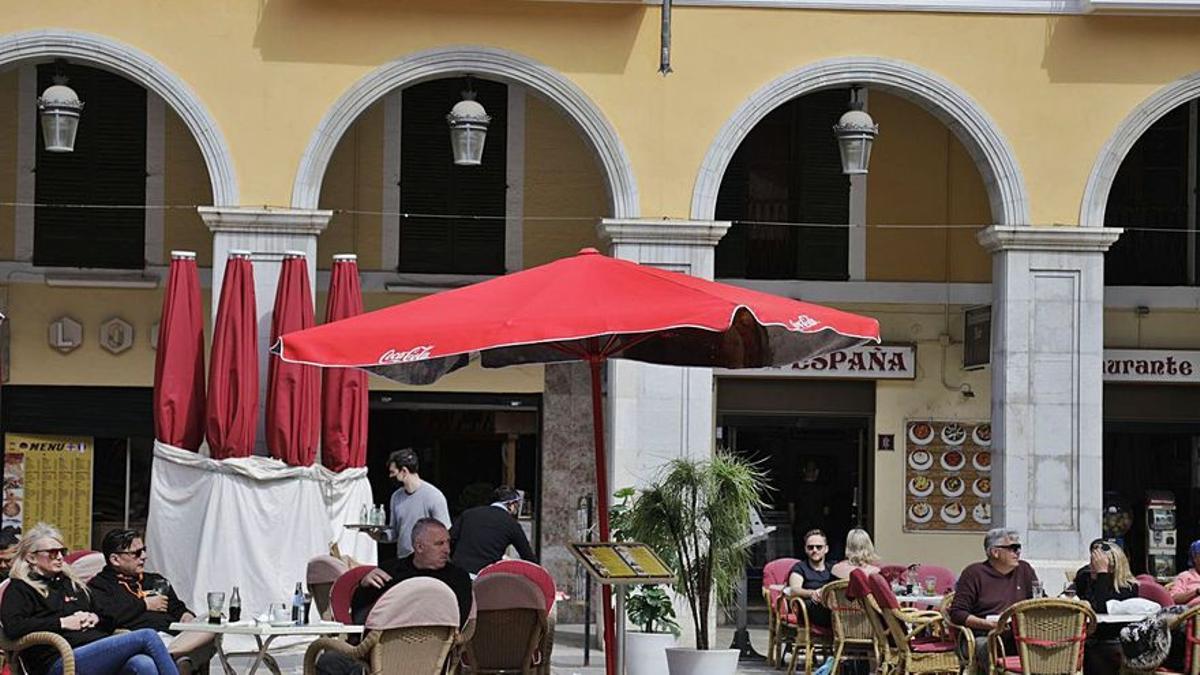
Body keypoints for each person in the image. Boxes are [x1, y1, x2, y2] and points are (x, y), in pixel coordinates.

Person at [0, 522, 179, 675]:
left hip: (95, 648)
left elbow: (105, 614)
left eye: (62, 551)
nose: (61, 557)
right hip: (60, 658)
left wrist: (95, 618)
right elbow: (13, 627)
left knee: (142, 663)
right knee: (147, 635)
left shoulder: (70, 583)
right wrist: (62, 622)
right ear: (31, 557)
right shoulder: (20, 588)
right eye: (53, 553)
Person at [317, 518, 472, 675]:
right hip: (382, 651)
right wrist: (364, 587)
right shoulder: (391, 571)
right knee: (330, 662)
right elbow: (362, 616)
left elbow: (459, 621)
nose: (447, 549)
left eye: (448, 542)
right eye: (439, 544)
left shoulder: (458, 578)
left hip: (432, 654)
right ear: (419, 547)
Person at [87, 529, 214, 672]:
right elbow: (108, 616)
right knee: (149, 655)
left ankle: (168, 655)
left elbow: (176, 607)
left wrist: (186, 615)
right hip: (141, 639)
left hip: (176, 638)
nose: (144, 557)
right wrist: (144, 604)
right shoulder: (99, 585)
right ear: (115, 559)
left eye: (144, 550)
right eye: (136, 553)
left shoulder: (155, 580)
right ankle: (171, 658)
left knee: (214, 621)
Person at [949, 528, 1039, 674]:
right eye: (1013, 548)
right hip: (983, 634)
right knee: (988, 646)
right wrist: (989, 625)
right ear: (995, 552)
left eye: (1019, 548)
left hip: (1019, 633)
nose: (1018, 552)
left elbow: (1038, 600)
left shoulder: (1024, 569)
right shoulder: (974, 573)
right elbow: (957, 613)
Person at [369, 448, 451, 559]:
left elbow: (444, 533)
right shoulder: (396, 497)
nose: (390, 476)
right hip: (404, 560)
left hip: (428, 561)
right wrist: (378, 535)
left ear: (404, 471)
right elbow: (395, 532)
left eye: (393, 472)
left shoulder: (434, 496)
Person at [1074, 539, 1138, 675]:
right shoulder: (1085, 578)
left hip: (1113, 640)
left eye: (1097, 563)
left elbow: (1103, 608)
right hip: (1087, 638)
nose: (1092, 566)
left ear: (1113, 566)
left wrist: (1102, 573)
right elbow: (1068, 595)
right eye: (1092, 561)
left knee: (1101, 651)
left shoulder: (1128, 587)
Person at [450, 485, 536, 575]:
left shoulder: (469, 514)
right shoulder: (511, 523)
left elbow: (450, 539)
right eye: (517, 505)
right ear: (511, 504)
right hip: (485, 576)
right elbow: (527, 556)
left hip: (459, 571)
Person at [787, 529, 834, 627]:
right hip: (811, 608)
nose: (814, 550)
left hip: (831, 605)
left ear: (826, 549)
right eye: (810, 547)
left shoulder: (833, 568)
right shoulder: (800, 568)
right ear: (805, 549)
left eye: (819, 547)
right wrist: (812, 593)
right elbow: (794, 589)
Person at [1166, 539, 1200, 606]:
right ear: (1194, 558)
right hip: (1193, 614)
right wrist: (1196, 592)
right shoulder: (1185, 576)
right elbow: (1173, 599)